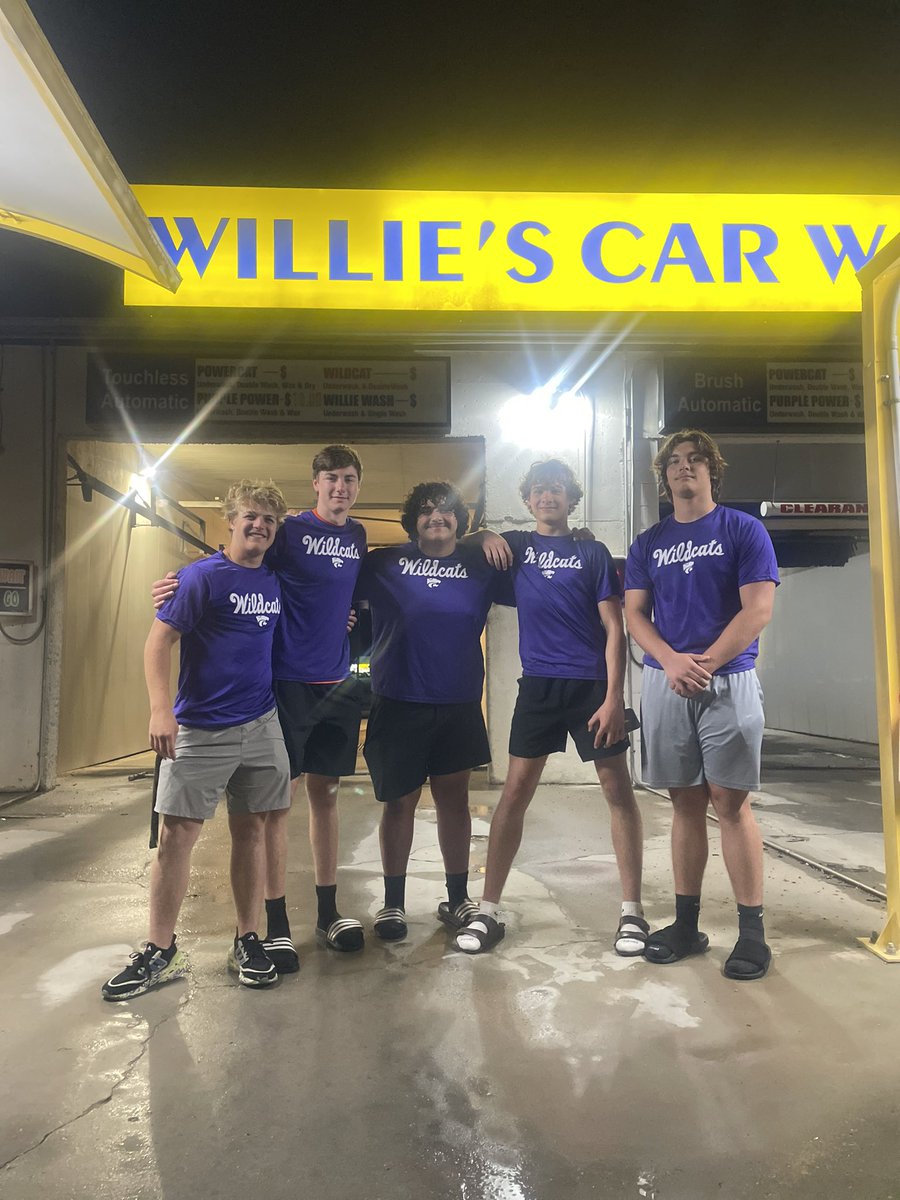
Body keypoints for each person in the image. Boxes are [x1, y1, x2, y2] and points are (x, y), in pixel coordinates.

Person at [151, 445, 367, 968]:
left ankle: (327, 911)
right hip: (286, 684)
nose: (341, 487)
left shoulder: (358, 536)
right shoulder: (288, 531)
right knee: (275, 807)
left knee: (327, 794)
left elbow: (328, 596)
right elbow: (231, 566)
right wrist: (175, 584)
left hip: (335, 682)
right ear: (315, 484)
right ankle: (273, 925)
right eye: (331, 478)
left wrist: (340, 619)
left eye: (350, 479)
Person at [102, 480, 290, 999]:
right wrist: (161, 709)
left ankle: (246, 939)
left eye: (269, 521)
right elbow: (158, 640)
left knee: (251, 831)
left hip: (261, 722)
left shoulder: (275, 580)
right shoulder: (201, 578)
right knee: (177, 837)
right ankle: (160, 949)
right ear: (231, 520)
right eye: (251, 516)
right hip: (202, 728)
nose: (259, 526)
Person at [452, 458, 646, 956]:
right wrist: (485, 535)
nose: (547, 497)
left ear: (571, 498)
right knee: (514, 793)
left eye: (556, 489)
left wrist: (612, 698)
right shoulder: (518, 548)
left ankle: (632, 914)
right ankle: (488, 911)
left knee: (616, 790)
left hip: (590, 688)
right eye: (538, 490)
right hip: (537, 687)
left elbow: (613, 628)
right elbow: (463, 543)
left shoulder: (592, 551)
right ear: (528, 500)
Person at [623, 429, 779, 981]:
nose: (683, 468)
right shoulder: (649, 542)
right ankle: (686, 926)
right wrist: (669, 661)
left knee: (730, 804)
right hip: (669, 683)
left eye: (694, 460)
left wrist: (704, 663)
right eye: (673, 462)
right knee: (684, 802)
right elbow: (635, 614)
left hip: (727, 679)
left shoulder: (743, 529)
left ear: (712, 469)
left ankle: (753, 935)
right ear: (663, 477)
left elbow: (757, 610)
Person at [355, 481, 502, 941]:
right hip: (398, 701)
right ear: (412, 520)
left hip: (457, 702)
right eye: (426, 510)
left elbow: (536, 562)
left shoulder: (480, 564)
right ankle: (393, 904)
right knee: (398, 802)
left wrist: (490, 534)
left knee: (453, 802)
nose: (436, 517)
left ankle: (457, 898)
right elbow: (322, 581)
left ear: (461, 520)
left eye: (446, 511)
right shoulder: (383, 563)